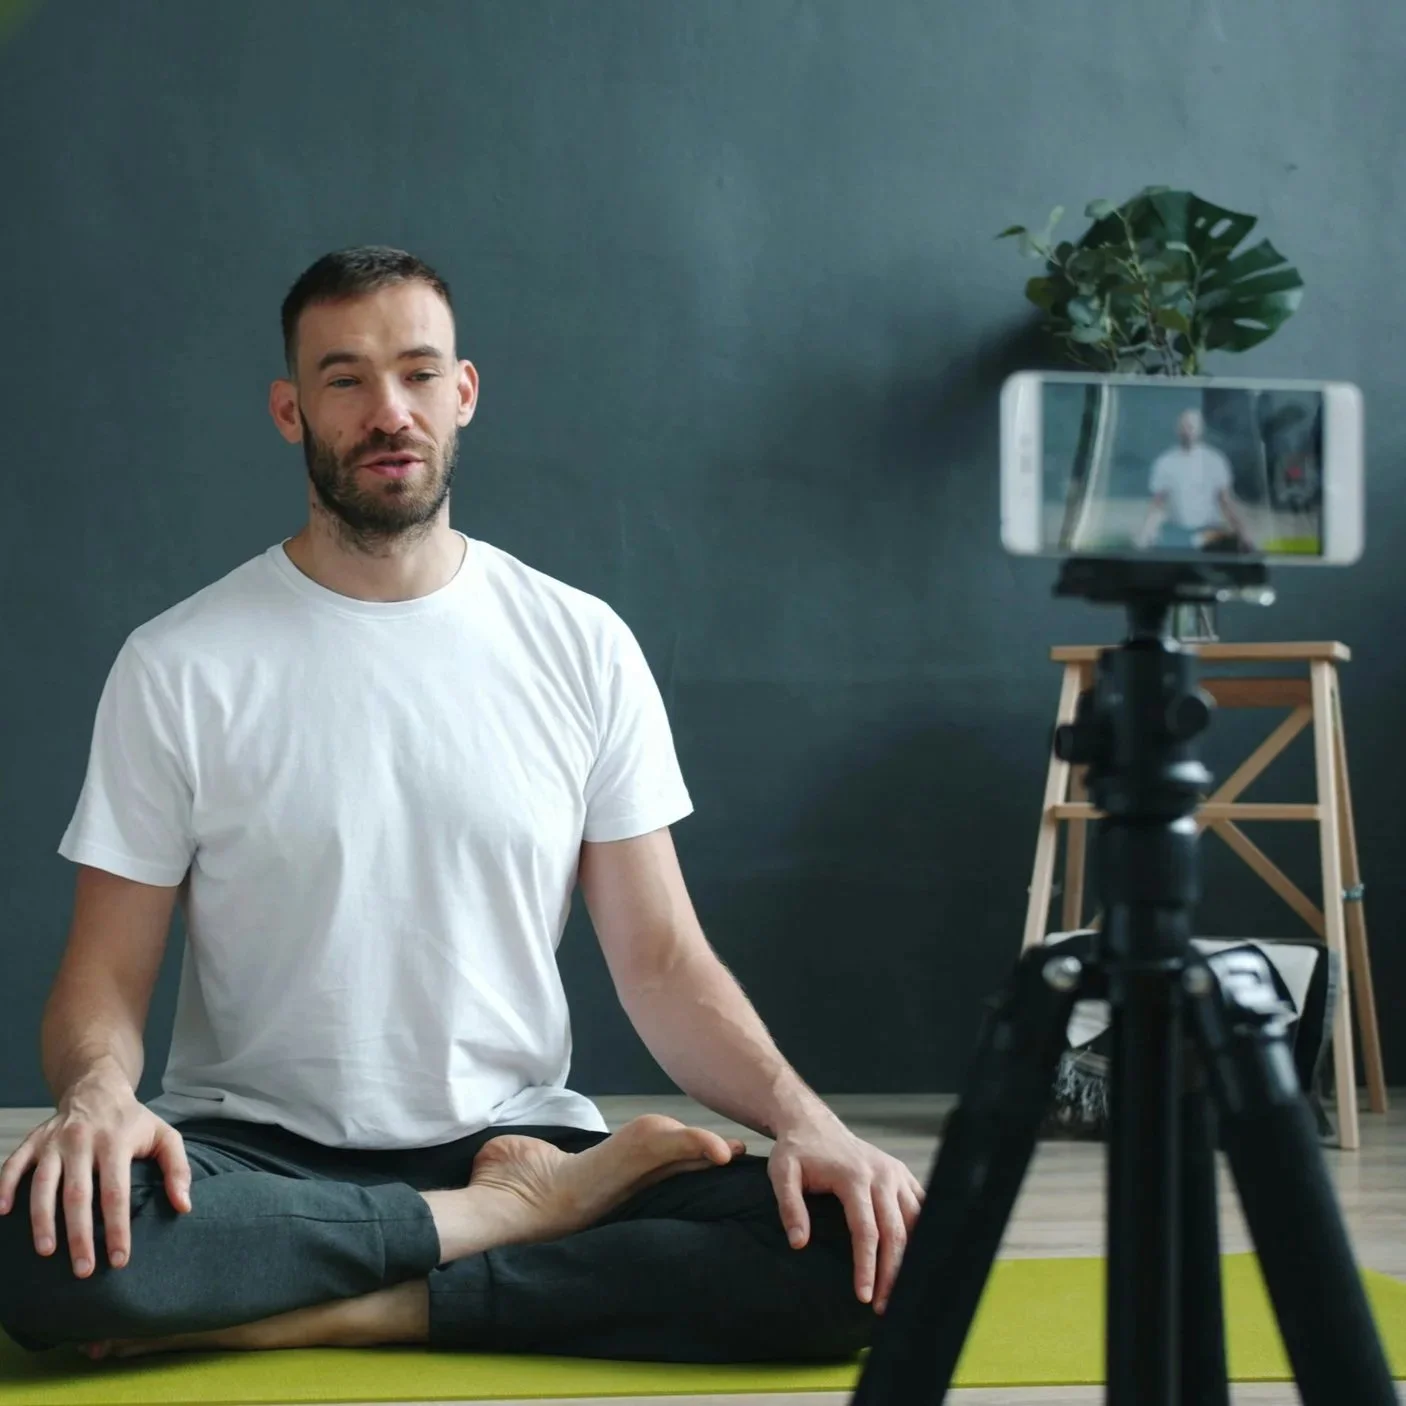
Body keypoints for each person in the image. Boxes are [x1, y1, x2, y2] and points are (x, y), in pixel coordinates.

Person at [0, 247, 923, 1363]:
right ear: (291, 412)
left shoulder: (581, 644)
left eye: (418, 372)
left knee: (857, 1242)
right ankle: (501, 1230)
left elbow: (663, 961)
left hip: (518, 1138)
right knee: (37, 1246)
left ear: (464, 392)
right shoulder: (179, 664)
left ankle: (345, 1299)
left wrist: (810, 1122)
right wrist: (99, 1096)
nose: (388, 410)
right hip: (255, 1159)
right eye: (345, 379)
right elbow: (101, 977)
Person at [1134, 407, 1253, 550]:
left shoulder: (1215, 460)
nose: (1188, 431)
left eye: (1191, 426)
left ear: (1200, 429)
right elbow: (1157, 503)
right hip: (1176, 531)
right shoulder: (1165, 462)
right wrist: (1145, 533)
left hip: (1209, 531)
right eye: (1184, 426)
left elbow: (1226, 501)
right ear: (1178, 429)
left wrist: (1243, 532)